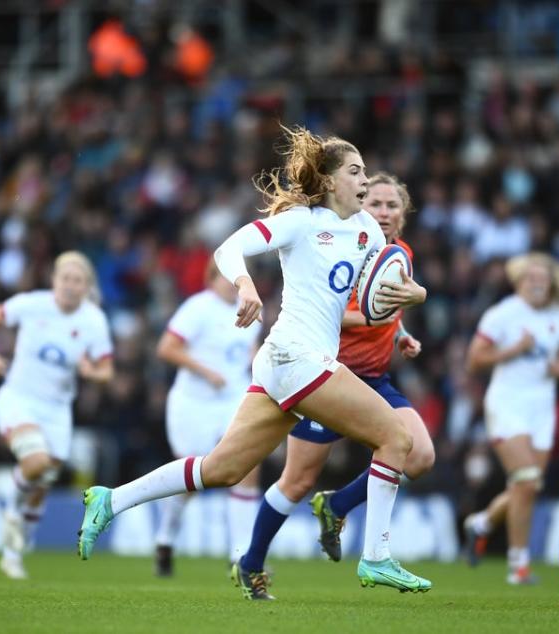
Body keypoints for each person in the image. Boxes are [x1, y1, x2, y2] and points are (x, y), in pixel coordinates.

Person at [77, 126, 432, 597]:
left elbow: (366, 309)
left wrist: (415, 295)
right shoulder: (302, 221)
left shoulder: (366, 231)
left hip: (290, 361)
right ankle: (376, 557)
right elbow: (229, 248)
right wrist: (246, 285)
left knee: (222, 469)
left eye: (365, 169)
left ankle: (111, 498)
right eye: (355, 170)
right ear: (328, 181)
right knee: (397, 437)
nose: (365, 178)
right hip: (294, 355)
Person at [231, 171, 434, 600]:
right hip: (326, 376)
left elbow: (382, 306)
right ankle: (251, 562)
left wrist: (399, 335)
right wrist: (386, 317)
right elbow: (336, 310)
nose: (381, 211)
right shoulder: (348, 241)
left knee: (419, 455)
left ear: (403, 213)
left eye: (391, 205)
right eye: (374, 203)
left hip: (374, 378)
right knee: (297, 480)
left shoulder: (396, 255)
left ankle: (338, 506)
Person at [0, 251, 114, 580]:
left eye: (77, 280)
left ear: (86, 287)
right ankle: (12, 514)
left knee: (43, 482)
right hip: (19, 398)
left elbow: (106, 372)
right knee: (35, 463)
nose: (69, 285)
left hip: (57, 409)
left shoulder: (93, 320)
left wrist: (90, 371)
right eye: (64, 278)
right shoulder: (31, 304)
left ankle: (14, 553)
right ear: (54, 280)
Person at [462, 253, 559, 585]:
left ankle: (482, 523)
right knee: (526, 480)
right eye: (531, 278)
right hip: (507, 402)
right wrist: (513, 350)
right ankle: (519, 566)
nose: (537, 283)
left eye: (543, 278)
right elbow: (474, 360)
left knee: (527, 486)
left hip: (542, 408)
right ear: (519, 282)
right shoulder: (502, 315)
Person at [153, 260, 262, 577]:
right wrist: (205, 371)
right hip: (193, 403)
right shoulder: (197, 308)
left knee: (247, 465)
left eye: (236, 279)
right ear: (211, 279)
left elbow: (250, 351)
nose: (232, 284)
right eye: (225, 278)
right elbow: (167, 348)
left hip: (233, 400)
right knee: (190, 479)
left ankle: (241, 553)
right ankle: (165, 538)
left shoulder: (253, 308)